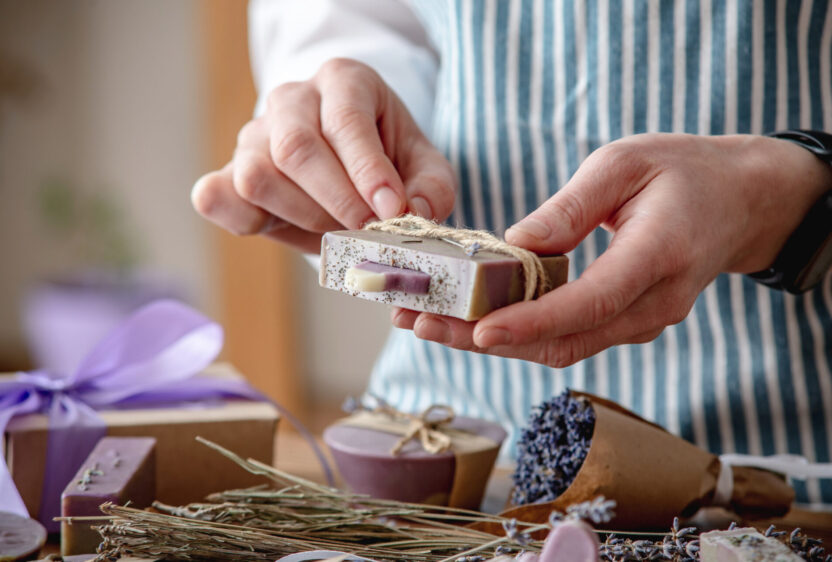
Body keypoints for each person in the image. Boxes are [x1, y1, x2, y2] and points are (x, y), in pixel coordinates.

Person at [192, 0, 832, 508]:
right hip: (446, 456)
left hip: (782, 474)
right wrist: (347, 124)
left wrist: (780, 200)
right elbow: (357, 17)